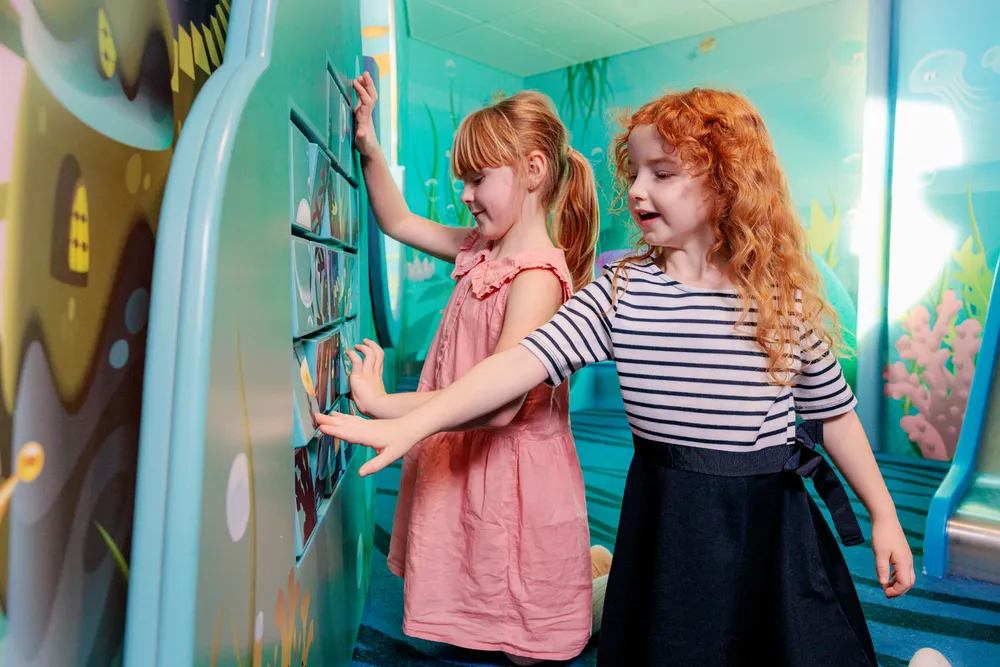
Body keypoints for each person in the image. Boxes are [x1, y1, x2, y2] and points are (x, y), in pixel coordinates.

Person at [319, 88, 916, 666]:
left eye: (662, 173)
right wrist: (417, 419)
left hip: (768, 527)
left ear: (728, 181)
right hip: (667, 518)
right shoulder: (621, 289)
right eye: (633, 172)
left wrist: (884, 513)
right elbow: (516, 365)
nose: (634, 190)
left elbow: (832, 414)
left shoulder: (779, 299)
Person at [334, 73, 608, 663]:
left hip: (510, 463)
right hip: (464, 445)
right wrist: (370, 147)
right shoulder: (478, 249)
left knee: (530, 635)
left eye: (478, 179)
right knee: (479, 570)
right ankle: (582, 577)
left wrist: (384, 405)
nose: (465, 194)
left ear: (533, 171)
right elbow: (400, 222)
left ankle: (593, 590)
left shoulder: (536, 277)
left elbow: (501, 405)